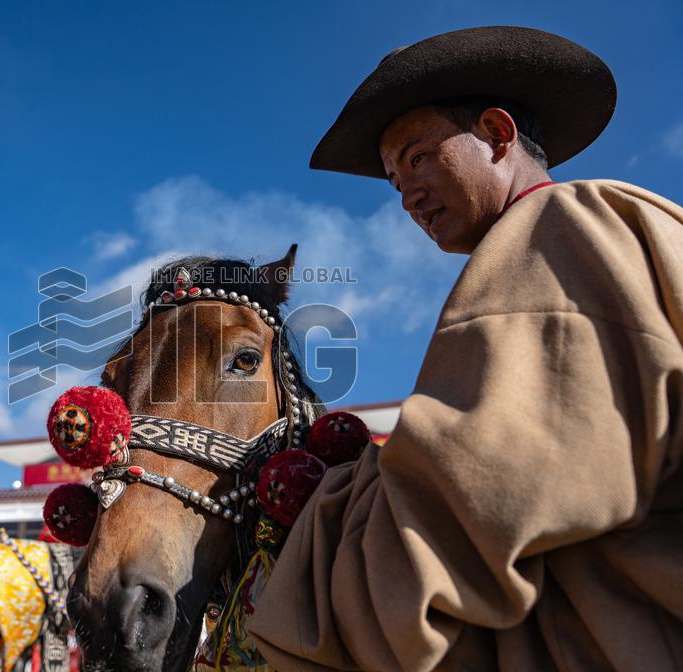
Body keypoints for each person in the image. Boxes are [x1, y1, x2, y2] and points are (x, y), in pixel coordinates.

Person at [247, 26, 683, 671]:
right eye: (395, 182)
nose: (408, 198)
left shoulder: (558, 226)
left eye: (419, 157)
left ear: (497, 134)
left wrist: (317, 516)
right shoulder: (627, 225)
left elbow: (476, 507)